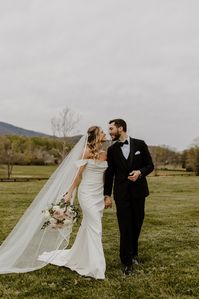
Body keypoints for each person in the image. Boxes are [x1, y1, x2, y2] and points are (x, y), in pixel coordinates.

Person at [38, 126, 107, 279]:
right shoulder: (86, 151)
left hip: (98, 195)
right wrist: (69, 193)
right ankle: (96, 267)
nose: (105, 134)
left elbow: (104, 177)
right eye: (102, 132)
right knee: (96, 227)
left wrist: (106, 195)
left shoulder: (105, 154)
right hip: (87, 194)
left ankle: (80, 256)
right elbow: (78, 175)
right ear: (95, 136)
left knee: (88, 226)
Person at [104, 119, 154, 276]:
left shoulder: (140, 144)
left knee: (137, 224)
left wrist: (140, 172)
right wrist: (107, 194)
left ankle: (133, 254)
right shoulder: (112, 150)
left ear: (120, 128)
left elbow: (150, 165)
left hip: (139, 192)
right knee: (125, 227)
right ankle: (126, 262)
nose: (109, 131)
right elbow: (110, 174)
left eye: (111, 128)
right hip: (122, 194)